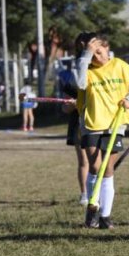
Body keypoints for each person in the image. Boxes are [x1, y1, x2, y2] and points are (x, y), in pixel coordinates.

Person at [75, 32, 129, 229]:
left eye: (98, 52)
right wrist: (85, 56)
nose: (96, 57)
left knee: (108, 168)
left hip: (116, 123)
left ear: (107, 47)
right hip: (92, 123)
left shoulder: (122, 67)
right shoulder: (85, 68)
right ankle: (92, 207)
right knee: (95, 166)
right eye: (91, 54)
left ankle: (105, 216)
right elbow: (79, 83)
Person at [58, 59, 89, 205]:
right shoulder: (74, 79)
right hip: (79, 125)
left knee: (99, 161)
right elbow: (64, 108)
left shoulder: (101, 75)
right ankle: (84, 194)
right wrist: (73, 105)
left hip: (99, 123)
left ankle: (99, 192)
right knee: (84, 161)